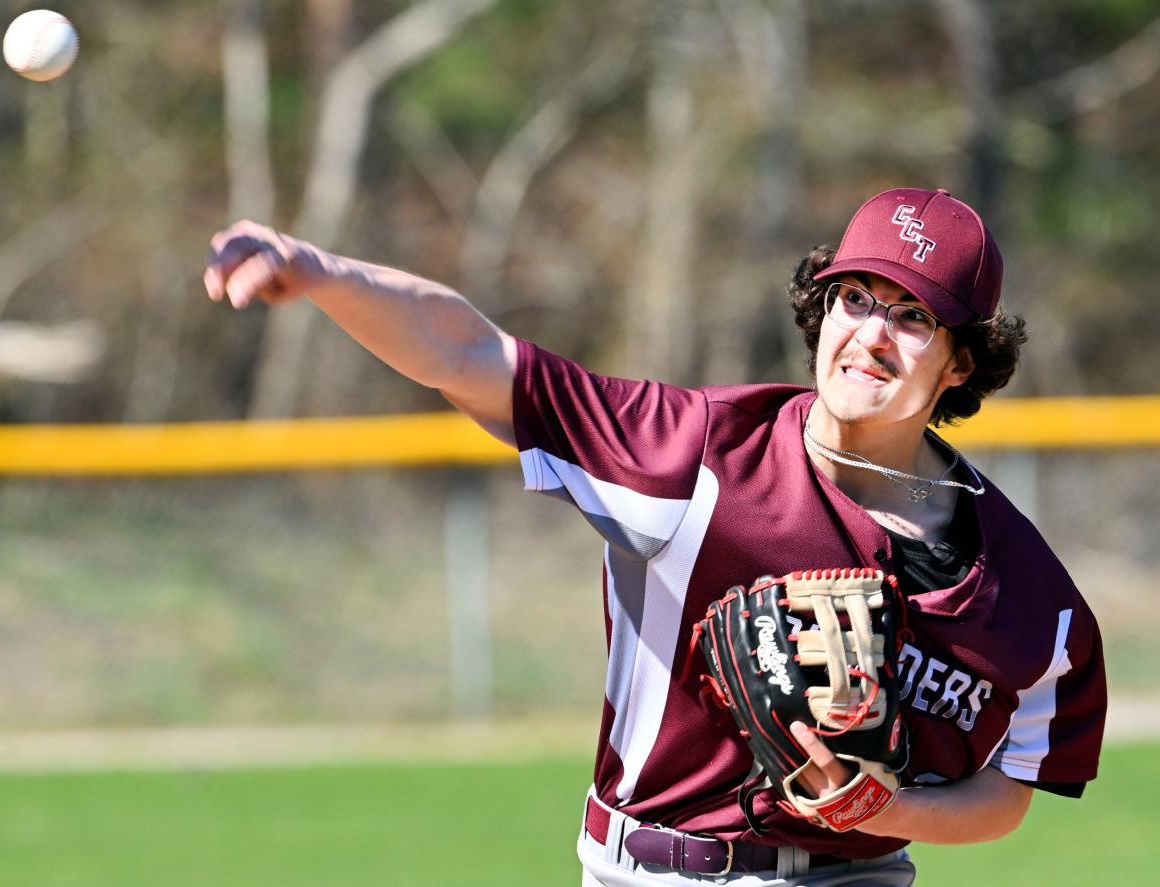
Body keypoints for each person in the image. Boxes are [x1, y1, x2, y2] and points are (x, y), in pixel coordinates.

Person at [204, 186, 1107, 886]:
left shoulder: (1031, 602)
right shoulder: (696, 455)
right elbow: (469, 354)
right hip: (661, 868)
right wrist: (317, 270)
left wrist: (886, 806)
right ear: (820, 310)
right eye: (855, 297)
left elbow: (1007, 794)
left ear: (961, 361)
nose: (872, 333)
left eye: (913, 316)